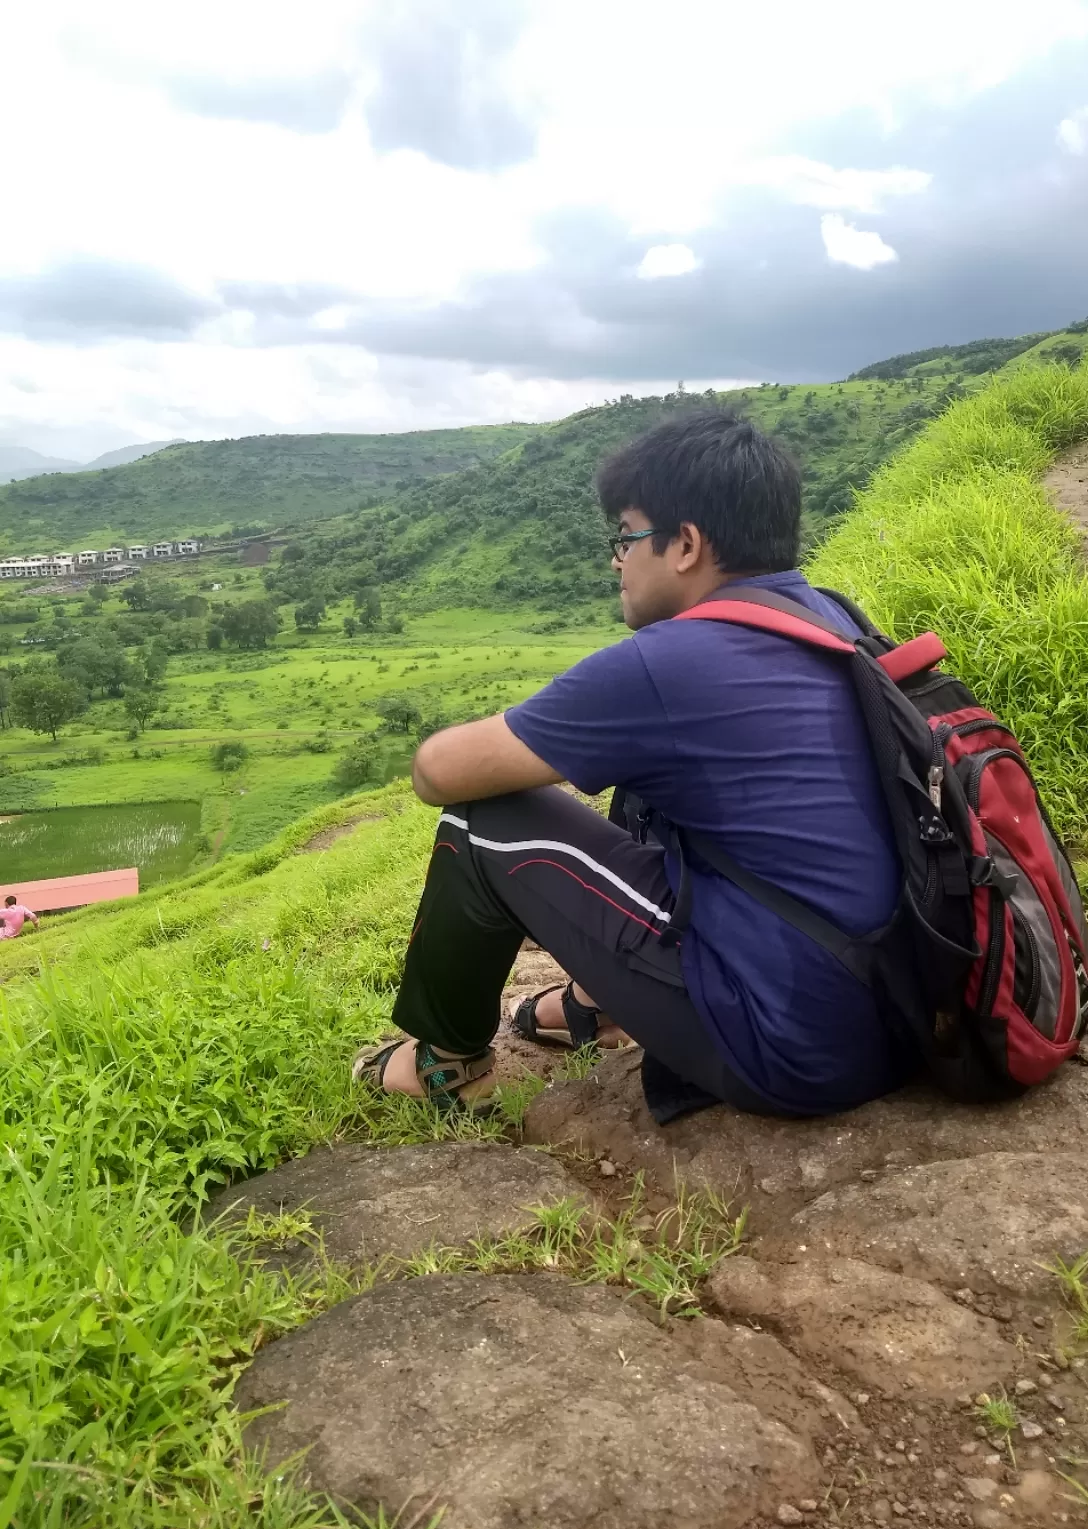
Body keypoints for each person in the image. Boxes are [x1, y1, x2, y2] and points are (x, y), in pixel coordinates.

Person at [353, 409, 906, 1120]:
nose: (616, 558)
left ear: (685, 544)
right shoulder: (834, 617)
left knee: (485, 819)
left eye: (626, 536)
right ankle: (596, 1004)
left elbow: (437, 772)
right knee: (659, 790)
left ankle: (446, 1063)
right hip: (905, 1008)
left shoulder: (670, 664)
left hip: (792, 1044)